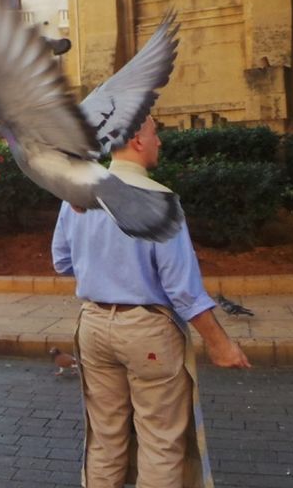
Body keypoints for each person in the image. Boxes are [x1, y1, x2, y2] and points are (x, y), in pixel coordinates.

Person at [51, 117, 249, 488]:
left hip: (93, 326)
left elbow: (62, 262)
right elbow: (183, 289)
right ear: (138, 141)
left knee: (105, 438)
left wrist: (101, 263)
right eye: (155, 133)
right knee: (160, 442)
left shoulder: (77, 195)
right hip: (148, 332)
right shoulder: (159, 199)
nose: (160, 141)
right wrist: (221, 345)